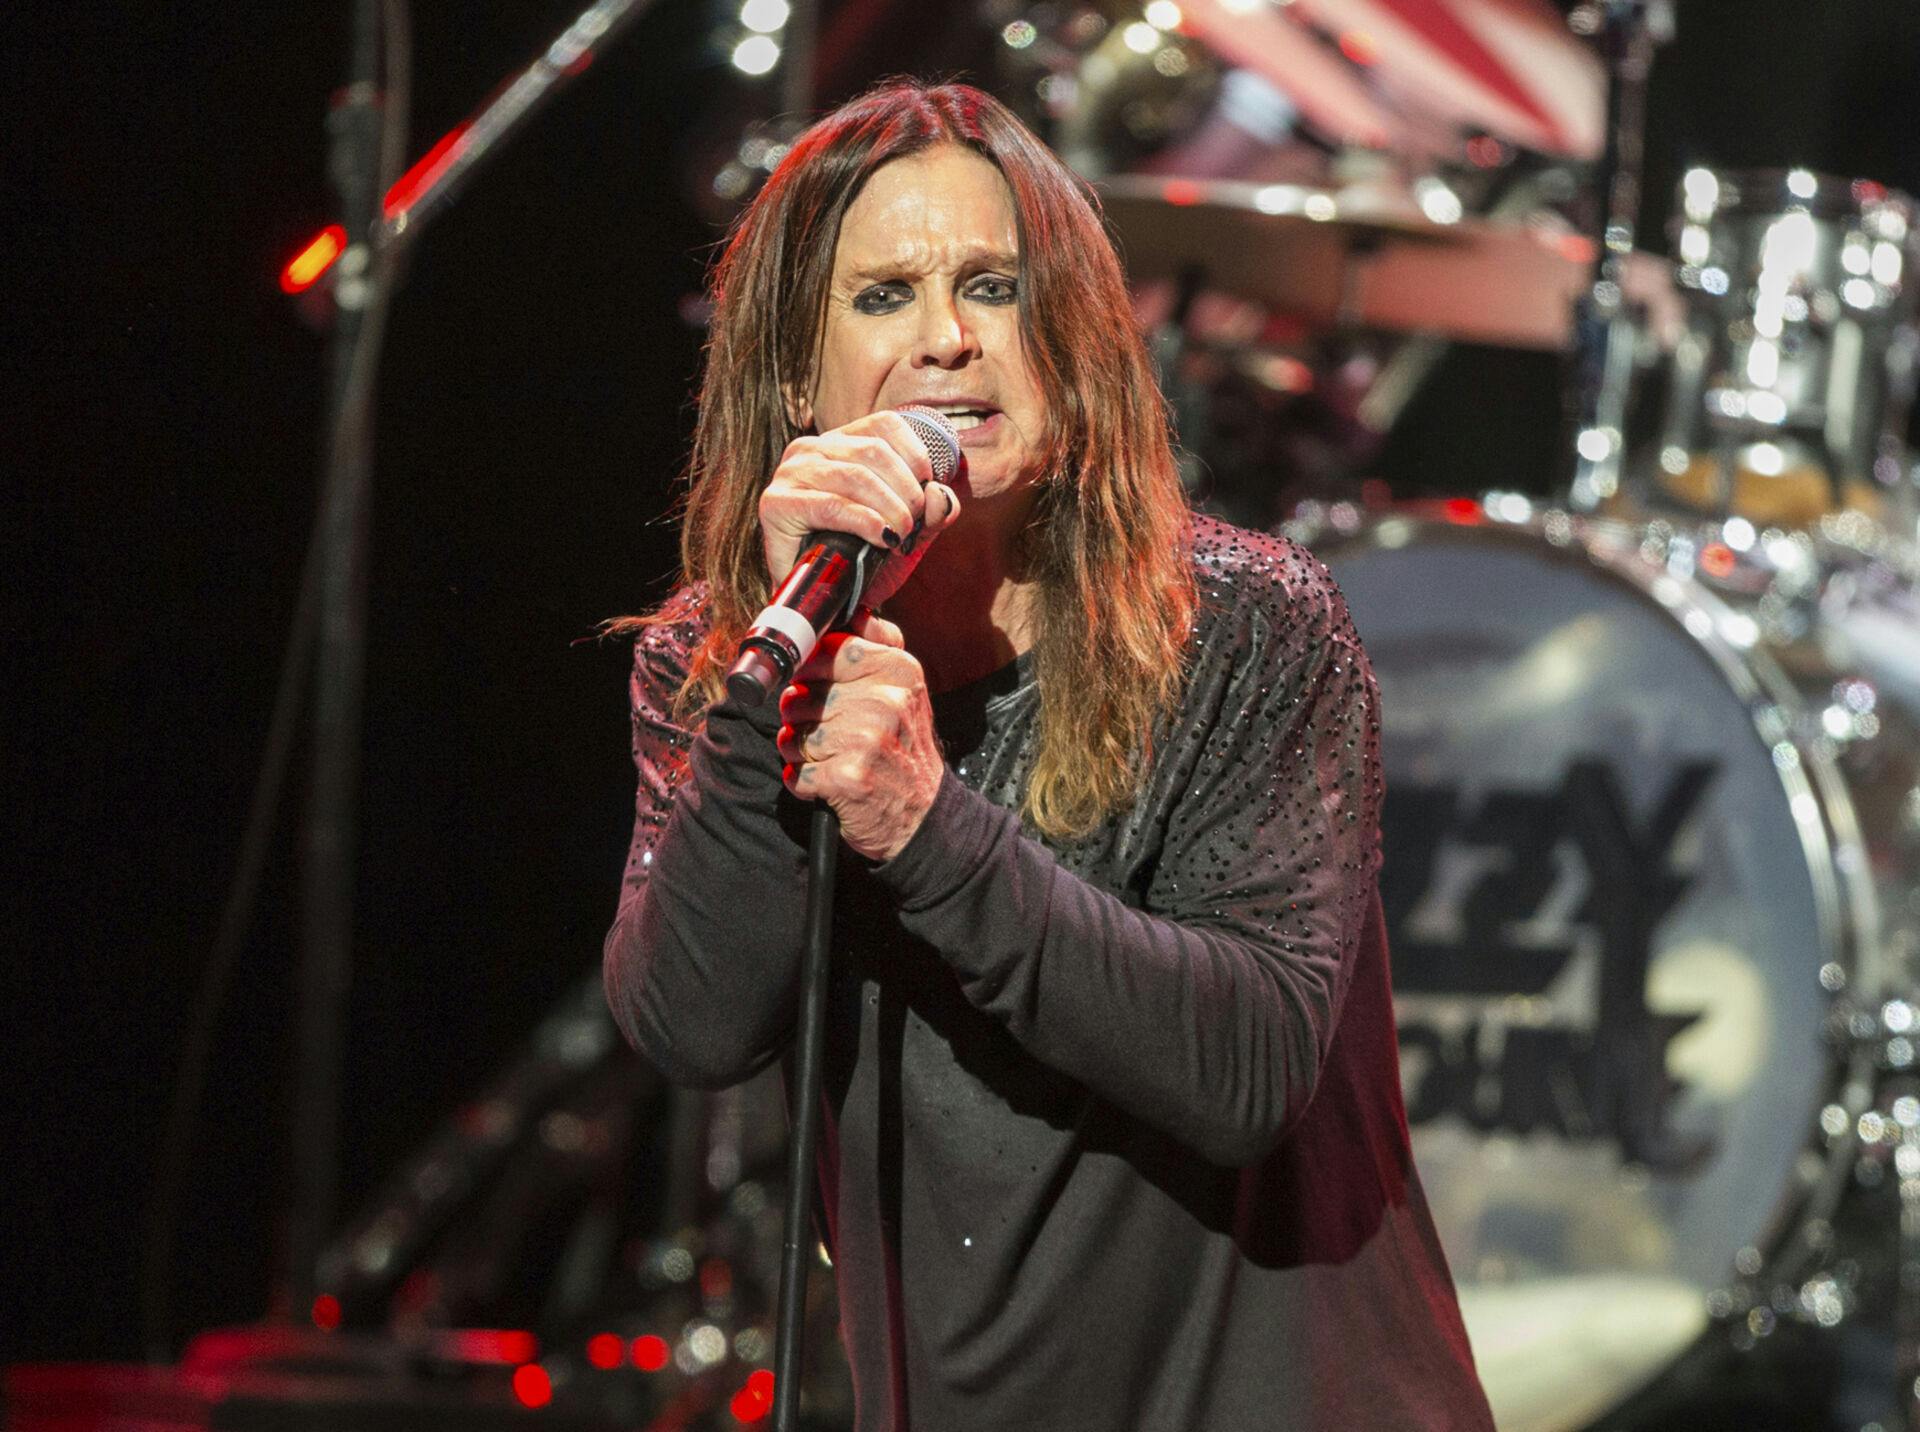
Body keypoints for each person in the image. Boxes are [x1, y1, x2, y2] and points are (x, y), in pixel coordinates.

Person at [603, 81, 1492, 1431]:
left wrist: (925, 823)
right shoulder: (727, 663)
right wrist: (763, 696)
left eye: (994, 287)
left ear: (1068, 340)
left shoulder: (1246, 629)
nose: (948, 340)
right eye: (883, 297)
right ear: (798, 374)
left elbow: (1247, 1068)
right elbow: (693, 1021)